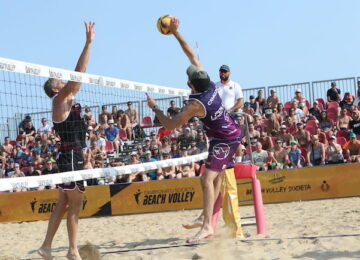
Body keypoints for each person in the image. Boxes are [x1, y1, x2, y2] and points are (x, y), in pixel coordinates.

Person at [146, 17, 242, 243]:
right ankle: (204, 217)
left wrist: (155, 108)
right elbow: (191, 54)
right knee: (215, 177)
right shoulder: (208, 83)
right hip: (230, 134)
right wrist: (177, 33)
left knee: (206, 179)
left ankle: (208, 225)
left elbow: (169, 126)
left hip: (224, 140)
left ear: (190, 84)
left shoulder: (195, 104)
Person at [38, 21, 95, 260]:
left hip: (70, 155)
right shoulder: (60, 99)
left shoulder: (66, 98)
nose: (63, 81)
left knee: (62, 203)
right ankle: (72, 251)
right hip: (70, 156)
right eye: (59, 81)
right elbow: (78, 74)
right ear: (54, 90)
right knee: (75, 204)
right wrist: (88, 43)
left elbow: (76, 79)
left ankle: (46, 247)